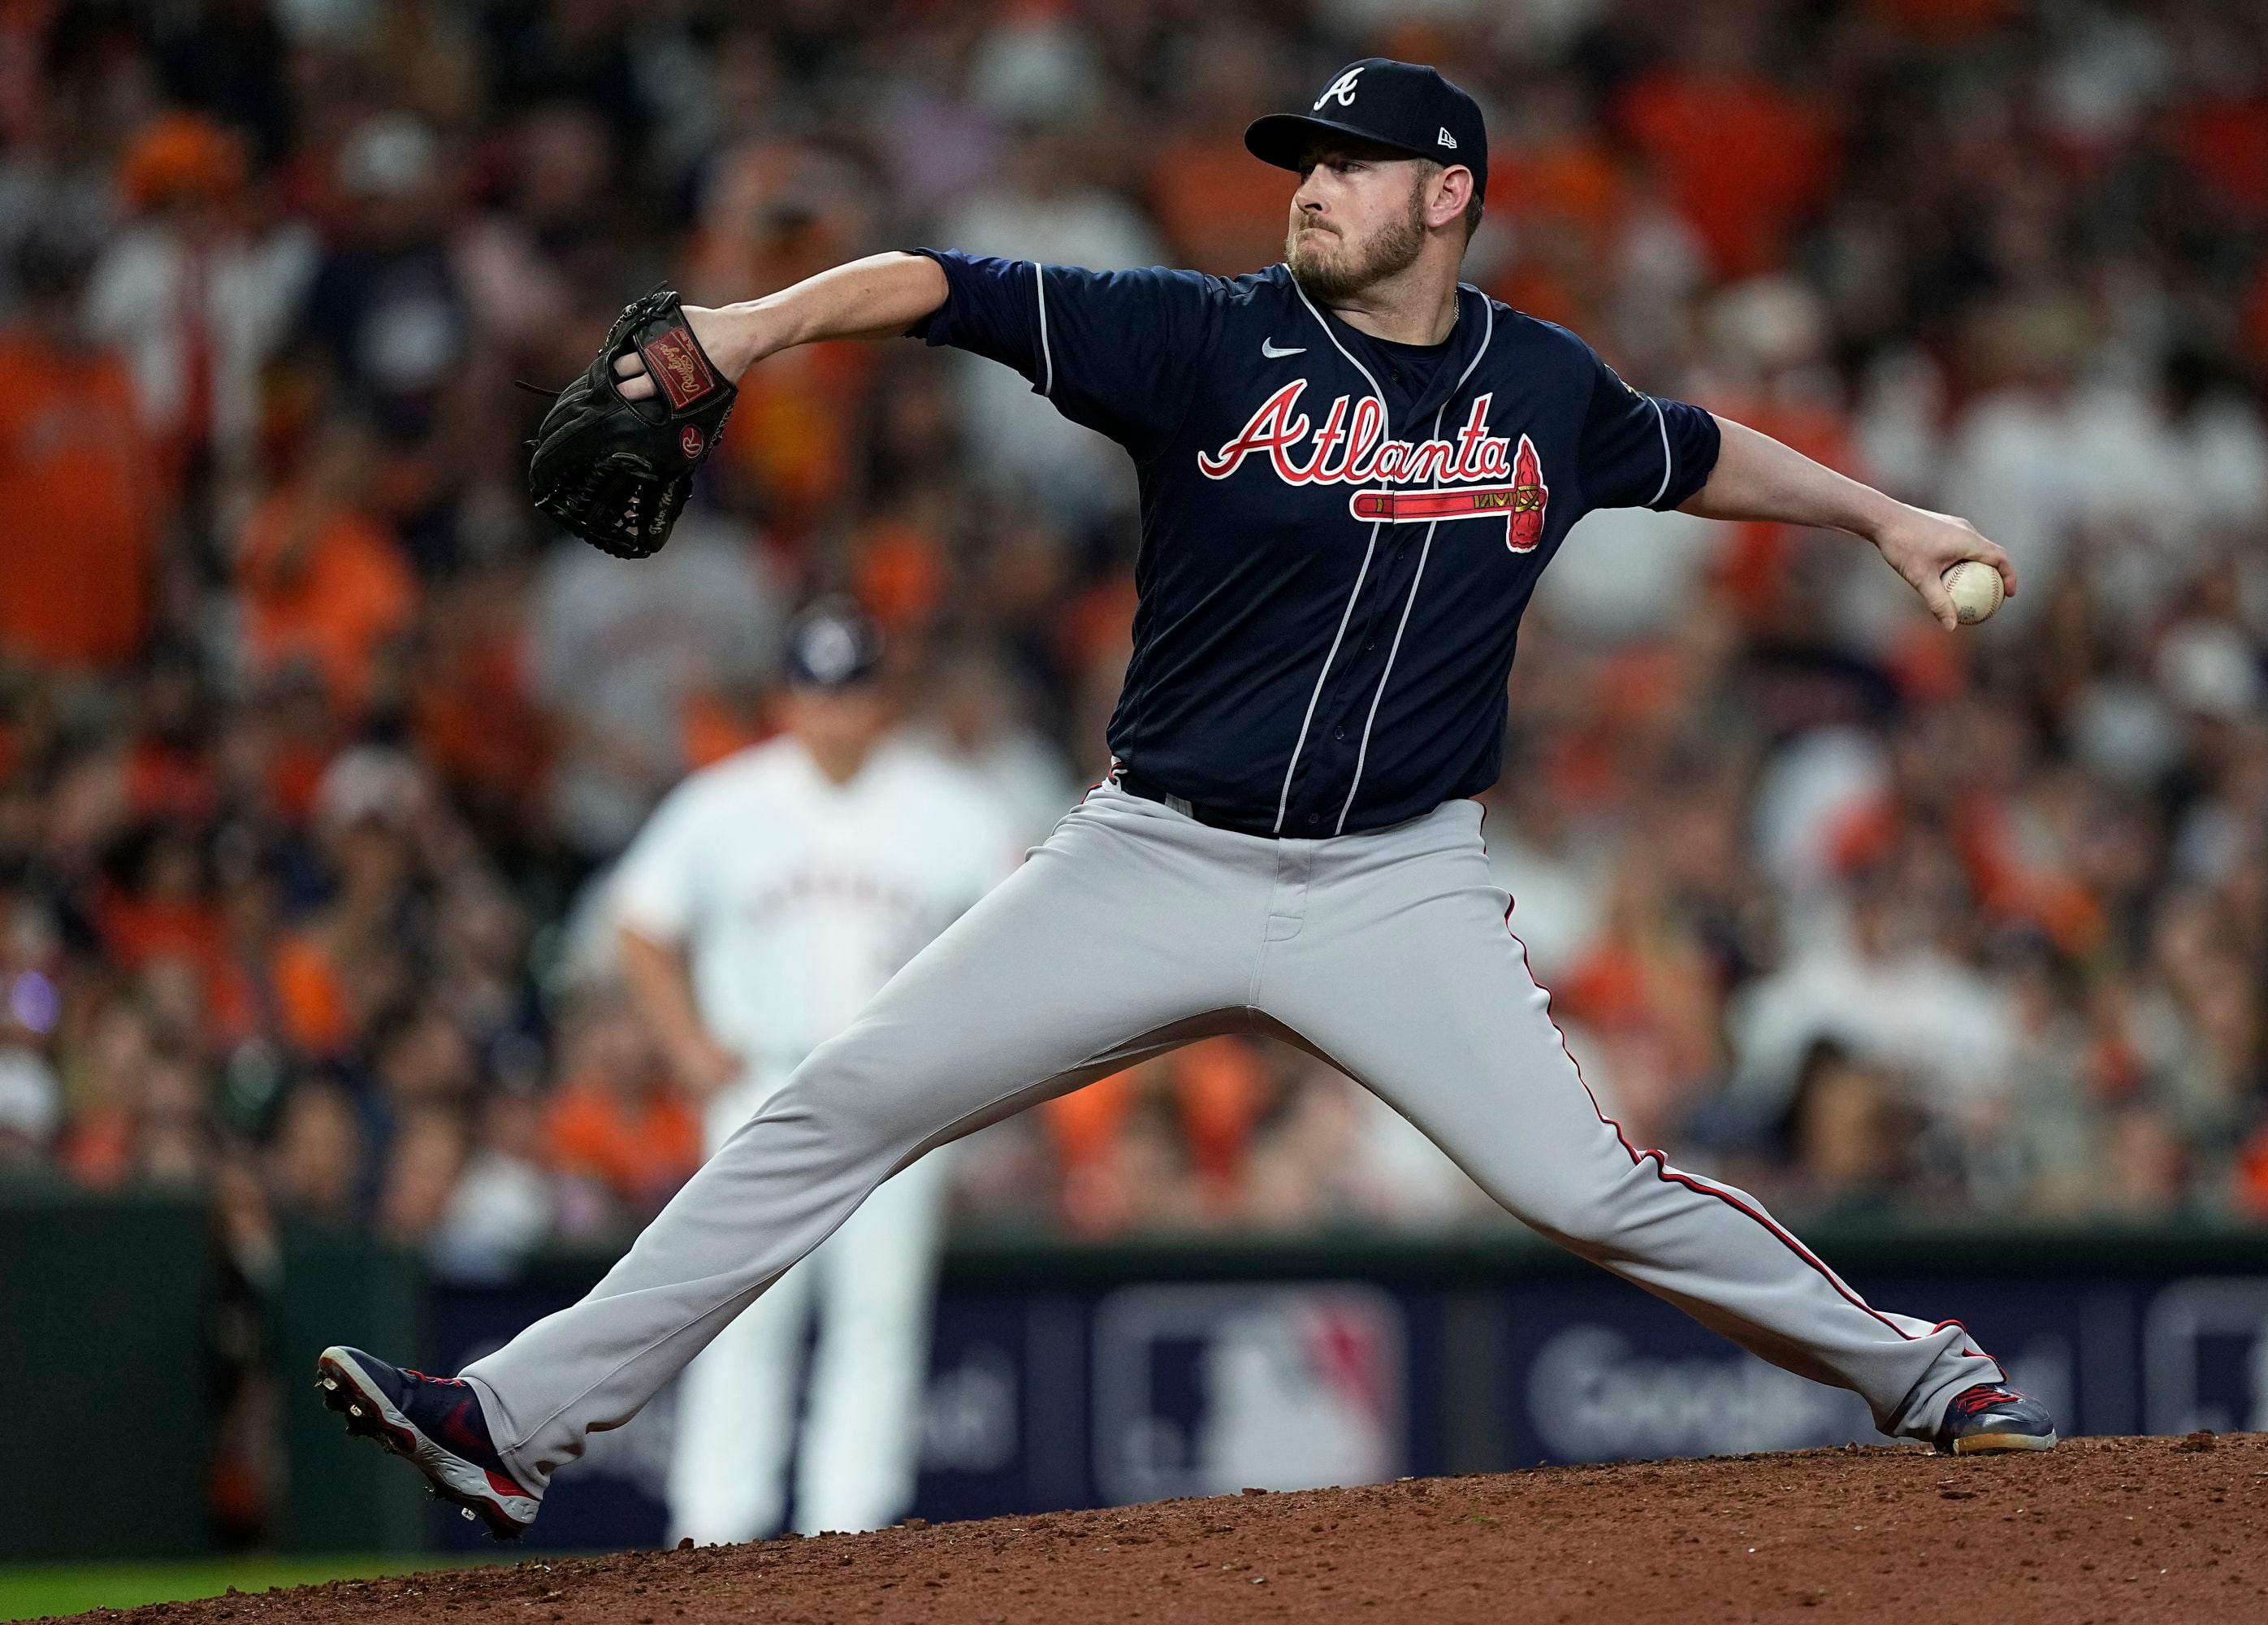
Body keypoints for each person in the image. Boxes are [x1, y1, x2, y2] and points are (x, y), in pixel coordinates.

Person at [317, 58, 2054, 1540]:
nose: (1310, 187)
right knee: (832, 1101)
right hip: (1152, 858)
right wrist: (758, 326)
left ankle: (1927, 1372)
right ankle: (512, 1426)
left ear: (1447, 194)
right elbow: (938, 281)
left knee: (1591, 1189)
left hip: (1399, 885)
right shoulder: (1199, 337)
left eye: (1347, 165)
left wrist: (1888, 519)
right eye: (1302, 163)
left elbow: (1689, 450)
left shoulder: (1545, 387)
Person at [610, 601, 1016, 1540]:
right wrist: (686, 1046)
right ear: (788, 698)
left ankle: (854, 1532)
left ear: (884, 699)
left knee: (877, 1321)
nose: (835, 710)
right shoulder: (725, 801)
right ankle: (713, 1529)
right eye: (818, 690)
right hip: (764, 1082)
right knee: (737, 1313)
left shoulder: (956, 808)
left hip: (894, 1087)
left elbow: (1018, 936)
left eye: (854, 690)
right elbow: (640, 922)